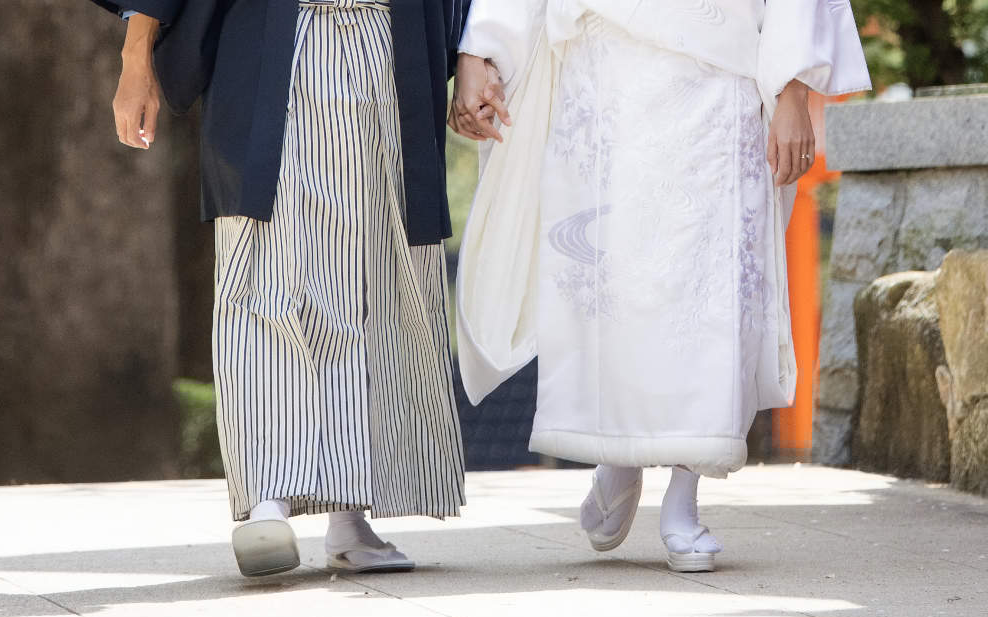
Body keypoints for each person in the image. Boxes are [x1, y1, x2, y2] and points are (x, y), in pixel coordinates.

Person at [450, 0, 870, 571]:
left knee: (711, 288)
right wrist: (482, 48)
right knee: (614, 283)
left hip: (720, 70)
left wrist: (794, 88)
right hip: (604, 66)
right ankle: (617, 451)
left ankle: (683, 496)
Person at [89, 0, 469, 576]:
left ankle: (348, 512)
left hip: (386, 47)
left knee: (373, 273)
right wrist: (135, 56)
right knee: (264, 271)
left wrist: (475, 56)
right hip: (275, 46)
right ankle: (267, 499)